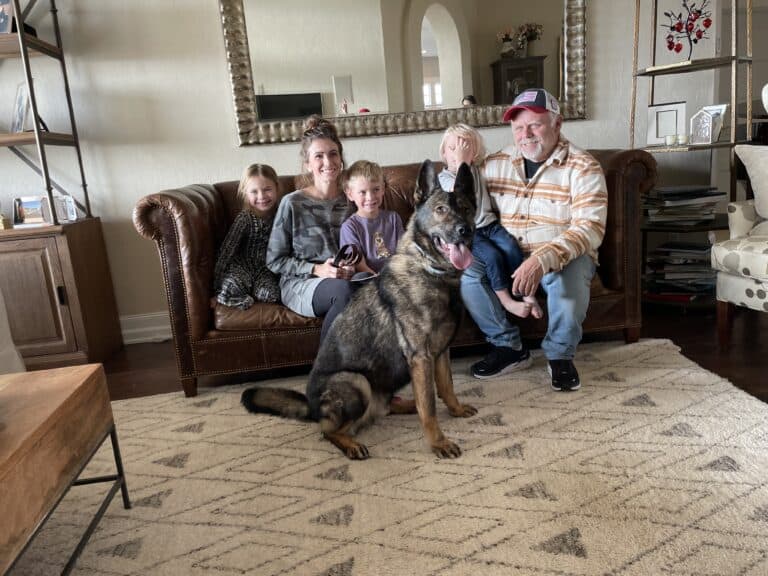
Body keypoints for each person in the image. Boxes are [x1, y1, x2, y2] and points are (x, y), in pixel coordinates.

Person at [460, 88, 607, 391]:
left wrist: (543, 259)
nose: (525, 134)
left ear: (557, 123)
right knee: (469, 273)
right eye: (518, 127)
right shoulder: (492, 165)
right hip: (507, 255)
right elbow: (460, 197)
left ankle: (560, 355)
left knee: (569, 279)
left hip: (561, 257)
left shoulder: (583, 166)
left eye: (535, 125)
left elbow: (590, 228)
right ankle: (508, 348)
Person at [439, 123, 542, 319]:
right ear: (444, 153)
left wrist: (467, 162)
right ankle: (507, 301)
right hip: (470, 233)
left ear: (474, 153)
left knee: (511, 247)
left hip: (491, 225)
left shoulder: (478, 170)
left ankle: (525, 294)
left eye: (465, 149)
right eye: (452, 149)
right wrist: (462, 163)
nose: (457, 154)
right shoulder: (444, 178)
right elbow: (457, 194)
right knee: (492, 256)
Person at [267, 115, 355, 341]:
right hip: (301, 282)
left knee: (373, 286)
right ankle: (326, 370)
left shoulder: (352, 199)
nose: (328, 162)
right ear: (308, 163)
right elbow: (275, 261)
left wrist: (352, 268)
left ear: (341, 158)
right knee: (343, 291)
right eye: (319, 156)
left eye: (333, 154)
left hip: (345, 276)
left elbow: (361, 244)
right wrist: (317, 270)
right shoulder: (292, 203)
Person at [214, 164, 281, 309]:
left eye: (267, 190)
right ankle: (239, 296)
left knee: (272, 295)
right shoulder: (245, 218)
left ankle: (252, 290)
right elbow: (227, 251)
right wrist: (215, 284)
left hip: (266, 270)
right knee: (230, 287)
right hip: (242, 267)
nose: (261, 196)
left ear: (276, 188)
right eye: (254, 192)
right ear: (245, 193)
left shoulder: (281, 215)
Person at [340, 160, 404, 276]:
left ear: (383, 189)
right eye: (362, 192)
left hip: (396, 275)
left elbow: (403, 251)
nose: (370, 197)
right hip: (369, 278)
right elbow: (359, 264)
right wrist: (377, 279)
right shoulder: (350, 227)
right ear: (350, 194)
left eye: (376, 189)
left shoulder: (393, 218)